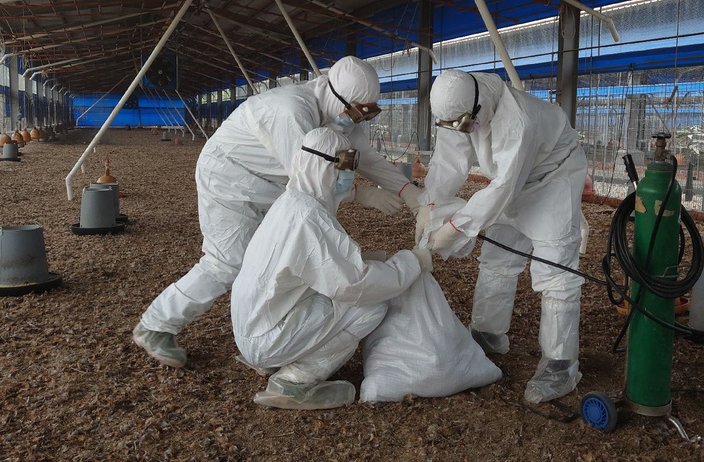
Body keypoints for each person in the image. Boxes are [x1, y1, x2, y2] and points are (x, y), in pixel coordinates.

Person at [133, 56, 424, 368]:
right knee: (227, 262)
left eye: (366, 113)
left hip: (274, 185)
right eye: (355, 111)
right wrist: (361, 193)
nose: (356, 120)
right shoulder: (289, 111)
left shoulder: (339, 115)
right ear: (336, 96)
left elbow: (363, 156)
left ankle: (285, 330)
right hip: (230, 178)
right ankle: (157, 324)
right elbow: (310, 171)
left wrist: (410, 193)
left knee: (282, 255)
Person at [416, 69, 588, 404]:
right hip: (512, 180)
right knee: (498, 259)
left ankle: (560, 364)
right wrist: (430, 203)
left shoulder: (517, 120)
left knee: (555, 273)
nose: (461, 129)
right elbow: (449, 160)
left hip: (552, 178)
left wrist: (452, 230)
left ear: (475, 110)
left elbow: (502, 190)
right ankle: (487, 335)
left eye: (464, 123)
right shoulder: (459, 105)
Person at [232, 127, 432, 409]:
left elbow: (325, 267)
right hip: (266, 336)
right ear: (325, 168)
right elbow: (357, 285)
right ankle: (294, 381)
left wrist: (379, 258)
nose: (349, 176)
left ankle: (283, 355)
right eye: (344, 167)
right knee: (370, 308)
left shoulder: (293, 201)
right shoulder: (308, 218)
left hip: (256, 322)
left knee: (349, 294)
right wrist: (413, 261)